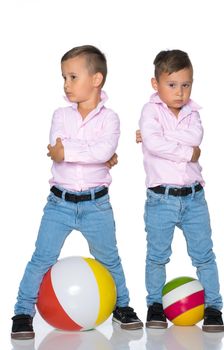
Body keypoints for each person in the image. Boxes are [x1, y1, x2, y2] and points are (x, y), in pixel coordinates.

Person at [11, 45, 143, 340]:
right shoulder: (61, 115)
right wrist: (91, 154)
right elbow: (58, 148)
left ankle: (123, 307)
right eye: (64, 78)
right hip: (60, 203)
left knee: (110, 259)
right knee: (42, 258)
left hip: (97, 205)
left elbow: (102, 150)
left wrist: (73, 151)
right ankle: (22, 312)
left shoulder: (110, 119)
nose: (66, 85)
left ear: (96, 80)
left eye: (72, 77)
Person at [136, 49, 224, 332]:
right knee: (157, 256)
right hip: (161, 199)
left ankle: (213, 307)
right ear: (156, 84)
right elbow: (155, 143)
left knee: (204, 255)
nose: (180, 92)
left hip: (194, 198)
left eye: (186, 85)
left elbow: (193, 137)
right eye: (172, 85)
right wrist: (187, 152)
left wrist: (156, 139)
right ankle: (155, 305)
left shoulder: (193, 113)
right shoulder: (150, 110)